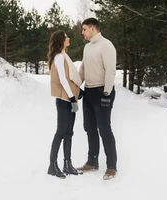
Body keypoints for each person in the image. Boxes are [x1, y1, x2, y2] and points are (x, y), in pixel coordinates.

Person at [77, 17, 118, 180]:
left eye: (84, 29)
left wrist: (107, 92)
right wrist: (75, 86)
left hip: (102, 91)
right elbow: (83, 69)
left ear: (93, 29)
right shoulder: (87, 48)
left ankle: (111, 166)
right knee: (89, 128)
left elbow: (110, 71)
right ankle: (92, 161)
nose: (83, 33)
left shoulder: (106, 45)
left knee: (104, 129)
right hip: (89, 92)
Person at [47, 30, 84, 179]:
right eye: (66, 37)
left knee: (69, 132)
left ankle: (67, 164)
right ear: (61, 40)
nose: (69, 38)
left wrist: (77, 93)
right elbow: (63, 79)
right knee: (61, 132)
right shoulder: (59, 57)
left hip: (69, 99)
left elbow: (70, 78)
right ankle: (52, 165)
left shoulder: (64, 55)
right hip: (64, 101)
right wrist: (72, 97)